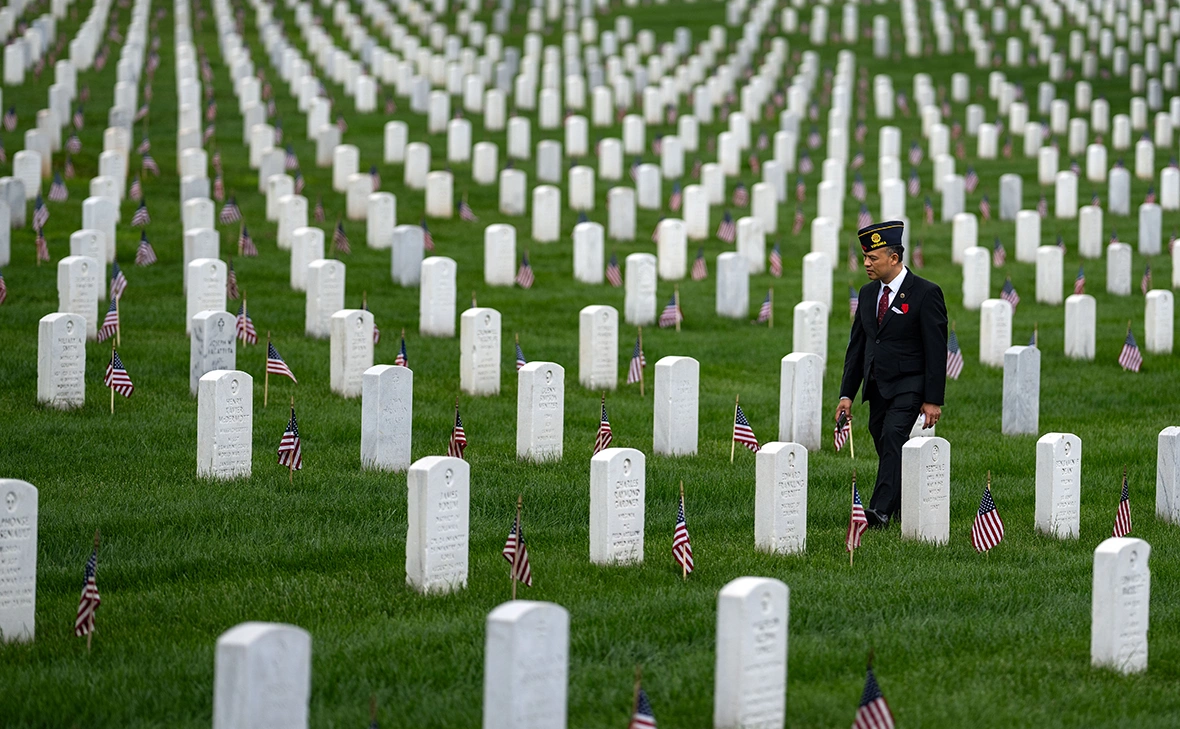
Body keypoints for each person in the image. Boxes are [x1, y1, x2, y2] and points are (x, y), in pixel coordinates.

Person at [835, 221, 948, 528]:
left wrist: (932, 399)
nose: (866, 264)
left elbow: (936, 351)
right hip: (876, 385)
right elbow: (857, 347)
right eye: (865, 258)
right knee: (883, 440)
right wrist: (847, 394)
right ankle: (900, 502)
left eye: (873, 258)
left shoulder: (925, 293)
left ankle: (879, 512)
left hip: (910, 383)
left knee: (893, 435)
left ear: (894, 258)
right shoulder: (869, 293)